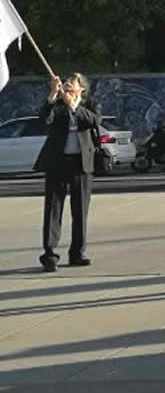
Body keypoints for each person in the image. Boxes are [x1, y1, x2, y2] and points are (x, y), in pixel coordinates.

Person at [34, 73, 102, 272]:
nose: (67, 84)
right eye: (65, 82)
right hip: (57, 163)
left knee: (80, 211)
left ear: (82, 88)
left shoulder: (90, 104)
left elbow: (93, 121)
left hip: (81, 164)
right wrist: (53, 95)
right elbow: (44, 120)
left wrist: (74, 106)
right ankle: (49, 255)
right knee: (53, 210)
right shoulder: (56, 104)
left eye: (72, 82)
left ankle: (77, 253)